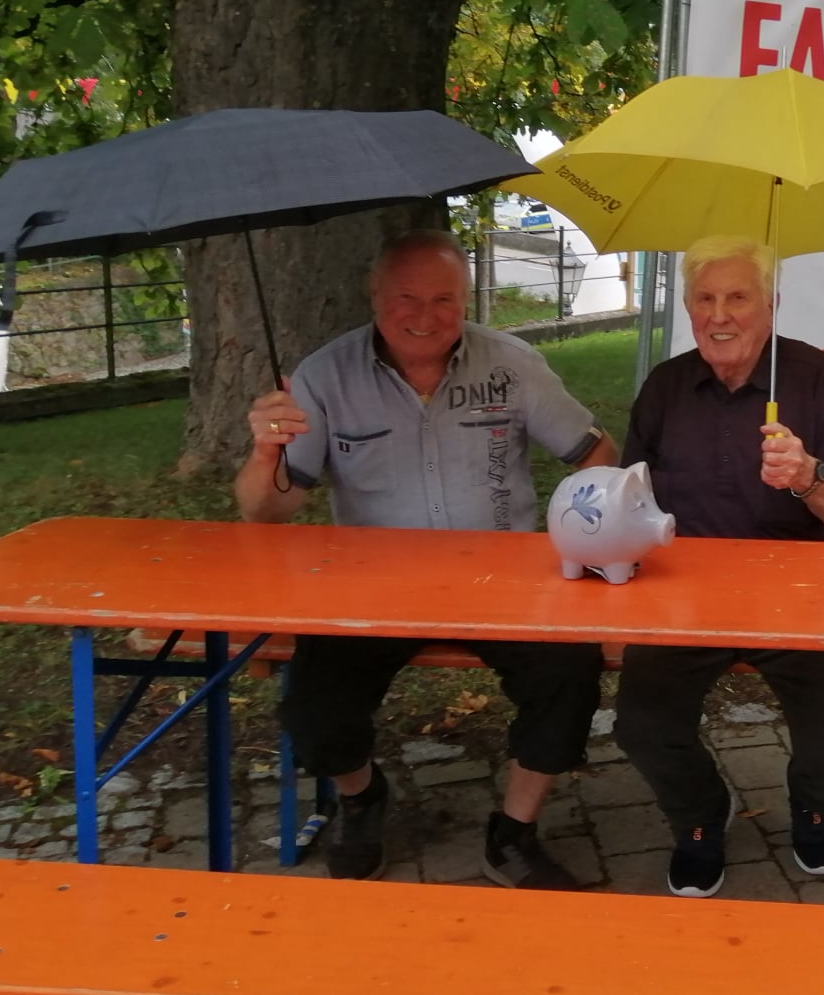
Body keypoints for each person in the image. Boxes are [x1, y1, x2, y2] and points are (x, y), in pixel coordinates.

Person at [235, 227, 617, 889]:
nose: (424, 315)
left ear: (468, 297)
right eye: (406, 297)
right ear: (374, 296)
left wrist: (583, 525)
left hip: (503, 580)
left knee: (572, 672)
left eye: (444, 298)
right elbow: (264, 513)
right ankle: (361, 797)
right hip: (372, 588)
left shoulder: (513, 363)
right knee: (313, 705)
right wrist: (266, 454)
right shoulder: (324, 376)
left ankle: (514, 831)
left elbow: (596, 452)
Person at [614, 235, 824, 898]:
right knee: (641, 725)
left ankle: (816, 803)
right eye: (704, 298)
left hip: (803, 590)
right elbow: (629, 498)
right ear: (688, 308)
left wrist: (808, 473)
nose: (720, 313)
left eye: (738, 296)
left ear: (772, 306)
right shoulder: (666, 386)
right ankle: (701, 816)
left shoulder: (811, 375)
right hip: (686, 595)